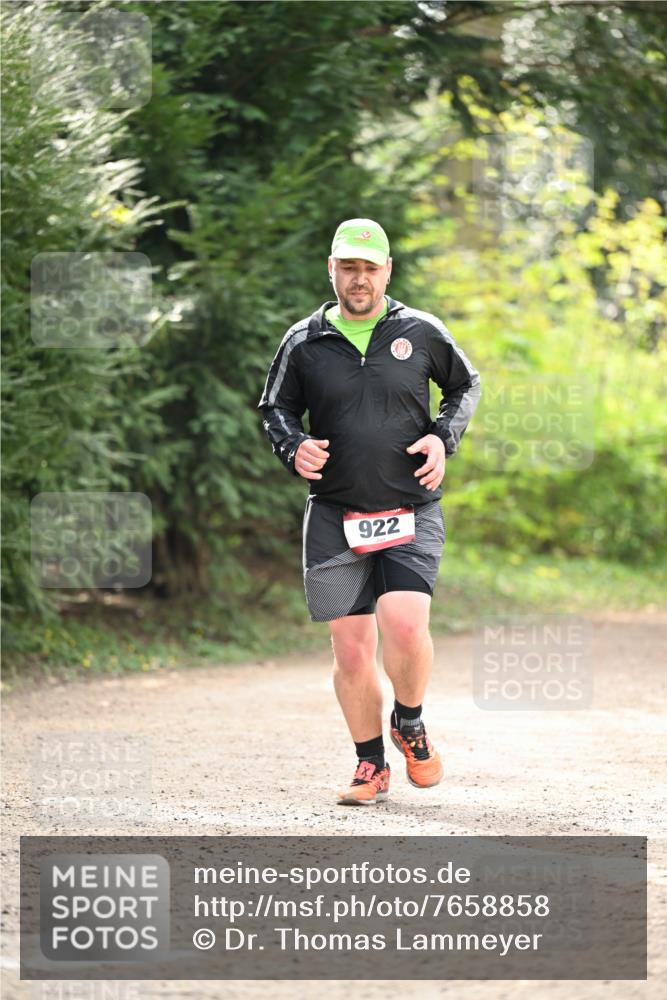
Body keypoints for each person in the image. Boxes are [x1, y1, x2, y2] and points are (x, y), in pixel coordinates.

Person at [259, 218, 481, 805]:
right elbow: (274, 409)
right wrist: (293, 446)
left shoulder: (420, 330)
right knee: (352, 649)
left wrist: (441, 438)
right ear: (331, 269)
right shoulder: (303, 341)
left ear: (387, 270)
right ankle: (370, 765)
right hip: (334, 513)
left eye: (370, 268)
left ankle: (410, 721)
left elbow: (466, 386)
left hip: (410, 506)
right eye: (348, 267)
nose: (359, 279)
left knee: (406, 626)